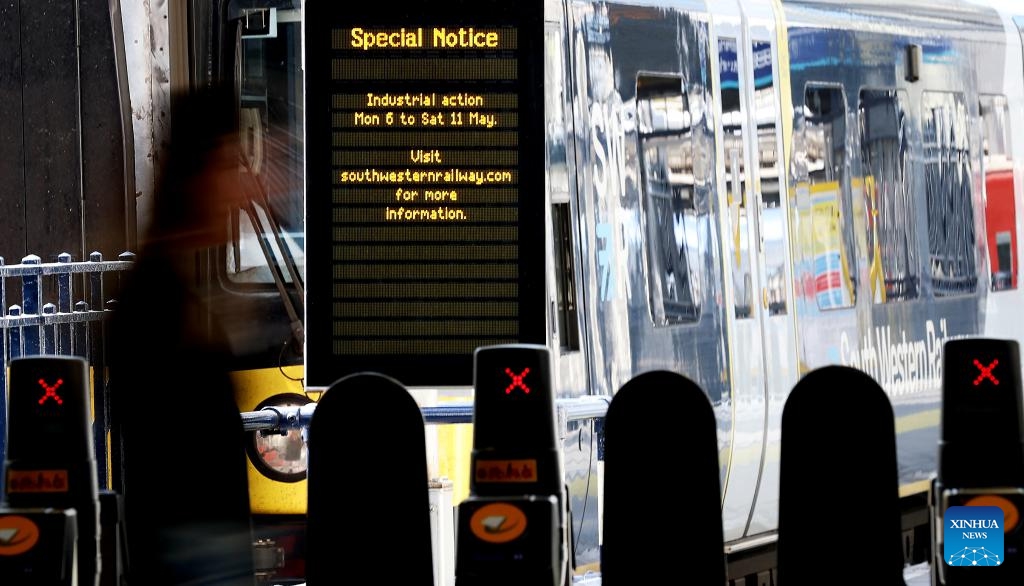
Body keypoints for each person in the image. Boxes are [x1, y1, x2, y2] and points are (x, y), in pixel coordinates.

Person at [107, 84, 256, 586]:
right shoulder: (157, 299)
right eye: (229, 169)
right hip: (193, 559)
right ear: (197, 177)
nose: (241, 192)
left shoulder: (177, 290)